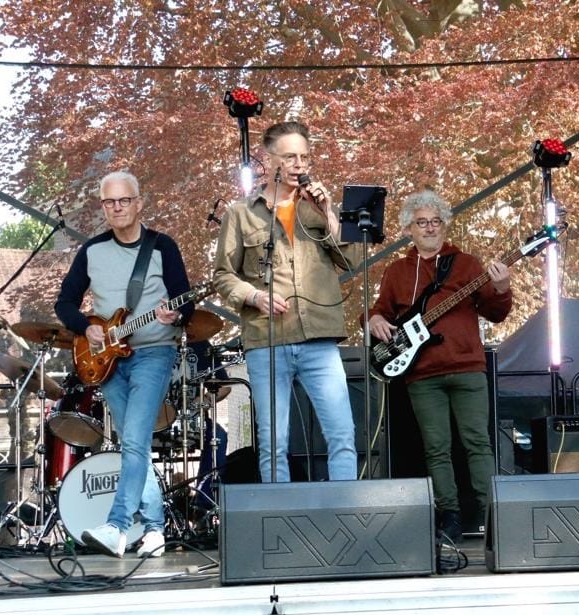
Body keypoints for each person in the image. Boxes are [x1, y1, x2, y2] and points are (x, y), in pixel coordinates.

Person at [55, 170, 195, 557]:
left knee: (133, 439)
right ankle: (154, 530)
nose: (117, 208)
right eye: (109, 202)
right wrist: (85, 328)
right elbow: (64, 303)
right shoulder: (92, 251)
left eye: (124, 200)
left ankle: (116, 526)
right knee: (134, 444)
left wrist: (175, 315)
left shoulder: (162, 247)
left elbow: (186, 301)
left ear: (138, 203)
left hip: (154, 351)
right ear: (103, 207)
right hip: (108, 361)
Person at [213, 121, 360, 483]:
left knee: (342, 434)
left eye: (305, 157)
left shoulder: (316, 208)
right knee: (273, 442)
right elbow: (223, 276)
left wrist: (328, 214)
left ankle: (343, 509)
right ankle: (278, 513)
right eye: (290, 157)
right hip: (267, 339)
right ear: (268, 159)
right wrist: (254, 296)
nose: (299, 164)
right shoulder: (240, 213)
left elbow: (351, 261)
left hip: (319, 337)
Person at [367, 190, 512, 542]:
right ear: (409, 230)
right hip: (422, 373)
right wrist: (373, 319)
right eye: (422, 223)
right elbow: (380, 310)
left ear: (444, 226)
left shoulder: (468, 264)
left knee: (478, 442)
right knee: (436, 447)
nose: (430, 228)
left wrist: (502, 288)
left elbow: (495, 313)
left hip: (468, 367)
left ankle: (494, 516)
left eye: (436, 221)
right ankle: (449, 516)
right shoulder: (397, 271)